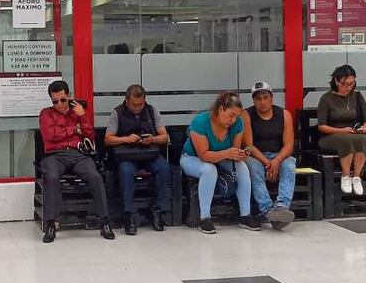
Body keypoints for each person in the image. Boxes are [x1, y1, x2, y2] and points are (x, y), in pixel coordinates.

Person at [37, 80, 115, 243]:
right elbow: (50, 135)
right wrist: (74, 129)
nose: (59, 104)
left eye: (63, 100)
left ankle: (105, 221)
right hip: (54, 155)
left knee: (94, 176)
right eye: (55, 101)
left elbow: (90, 135)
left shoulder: (77, 112)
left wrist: (82, 115)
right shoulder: (46, 114)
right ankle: (51, 223)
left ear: (69, 96)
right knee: (51, 177)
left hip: (77, 154)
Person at [181, 91, 262, 234]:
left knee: (242, 167)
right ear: (220, 109)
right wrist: (227, 153)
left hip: (223, 158)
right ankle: (205, 217)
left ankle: (245, 214)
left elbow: (234, 151)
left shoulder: (238, 124)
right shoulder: (200, 121)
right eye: (231, 115)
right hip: (192, 158)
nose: (233, 120)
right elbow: (203, 155)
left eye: (236, 116)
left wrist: (241, 154)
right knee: (209, 170)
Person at [103, 84, 173, 234]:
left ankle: (159, 210)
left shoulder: (152, 110)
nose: (138, 108)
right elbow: (108, 139)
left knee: (163, 167)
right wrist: (126, 139)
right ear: (126, 101)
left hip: (149, 153)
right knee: (125, 171)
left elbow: (164, 137)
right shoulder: (117, 112)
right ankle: (128, 213)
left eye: (141, 104)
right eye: (134, 105)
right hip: (127, 155)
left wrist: (152, 139)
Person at [242, 81, 297, 230]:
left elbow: (289, 145)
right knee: (252, 167)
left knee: (289, 164)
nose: (262, 102)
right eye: (258, 99)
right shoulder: (247, 115)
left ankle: (281, 207)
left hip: (279, 155)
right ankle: (268, 210)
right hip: (256, 156)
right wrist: (266, 162)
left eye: (265, 97)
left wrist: (277, 160)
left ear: (271, 97)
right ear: (253, 100)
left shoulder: (284, 114)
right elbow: (248, 145)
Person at [316, 65, 366, 197]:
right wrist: (340, 130)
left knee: (362, 139)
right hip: (331, 135)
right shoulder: (326, 99)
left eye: (351, 84)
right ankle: (345, 175)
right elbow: (321, 126)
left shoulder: (357, 97)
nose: (348, 87)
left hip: (353, 133)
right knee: (346, 140)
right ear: (336, 81)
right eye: (344, 84)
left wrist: (364, 127)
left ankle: (356, 177)